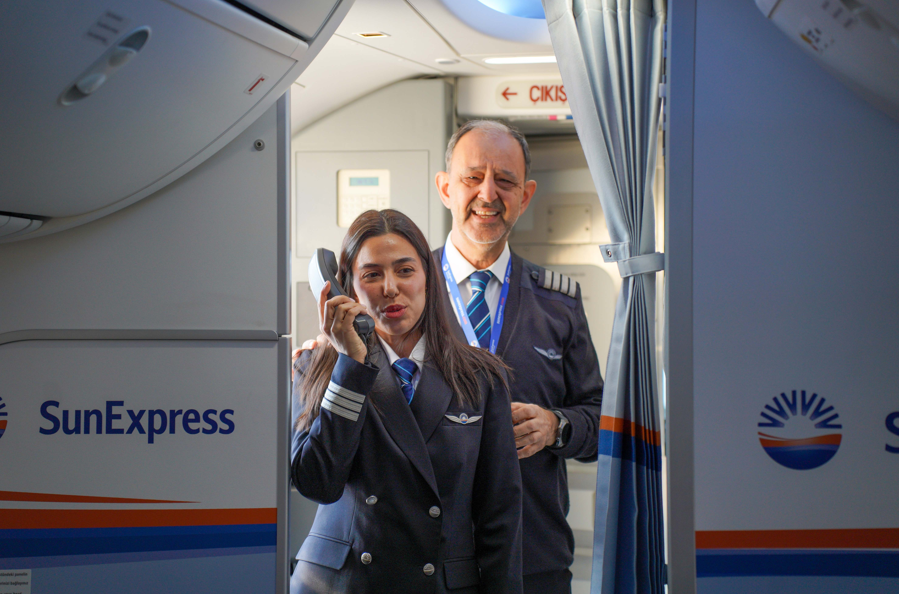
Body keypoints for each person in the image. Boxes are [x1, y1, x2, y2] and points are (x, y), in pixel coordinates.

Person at [290, 209, 523, 594]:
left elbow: (500, 517)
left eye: (405, 270)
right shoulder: (314, 366)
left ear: (428, 278)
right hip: (342, 583)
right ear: (345, 288)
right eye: (371, 275)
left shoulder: (481, 377)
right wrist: (350, 365)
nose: (390, 288)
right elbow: (317, 483)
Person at [433, 120, 604, 594]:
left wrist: (555, 426)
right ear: (446, 188)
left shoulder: (559, 303)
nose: (488, 193)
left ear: (525, 196)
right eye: (472, 177)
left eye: (505, 180)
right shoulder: (406, 294)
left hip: (534, 556)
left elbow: (600, 421)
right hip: (428, 558)